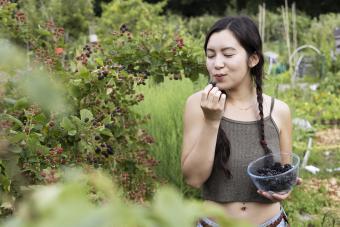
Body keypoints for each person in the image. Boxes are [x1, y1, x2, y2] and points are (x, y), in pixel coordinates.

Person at [181, 16, 301, 227]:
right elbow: (193, 179)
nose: (217, 64)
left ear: (253, 59)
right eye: (210, 55)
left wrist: (284, 187)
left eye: (228, 54)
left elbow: (283, 172)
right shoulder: (198, 105)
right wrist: (211, 121)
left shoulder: (279, 111)